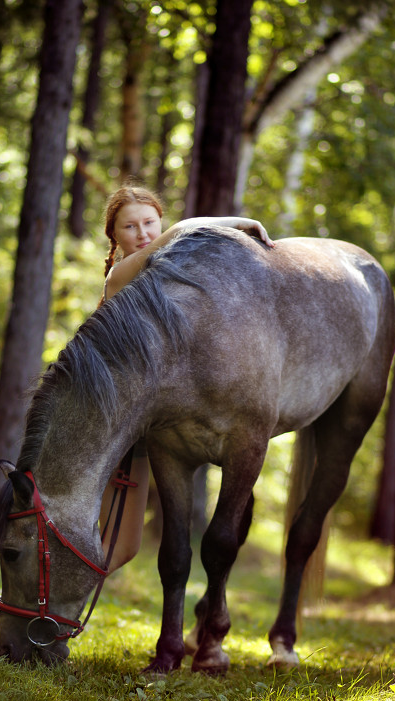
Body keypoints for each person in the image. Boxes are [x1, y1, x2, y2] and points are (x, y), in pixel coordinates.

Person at [98, 184, 274, 572]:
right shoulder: (120, 275)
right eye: (130, 227)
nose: (142, 233)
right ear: (114, 235)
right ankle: (53, 610)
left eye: (149, 223)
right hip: (113, 424)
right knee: (112, 542)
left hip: (146, 422)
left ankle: (59, 610)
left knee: (124, 547)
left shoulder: (168, 278)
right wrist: (241, 222)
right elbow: (180, 233)